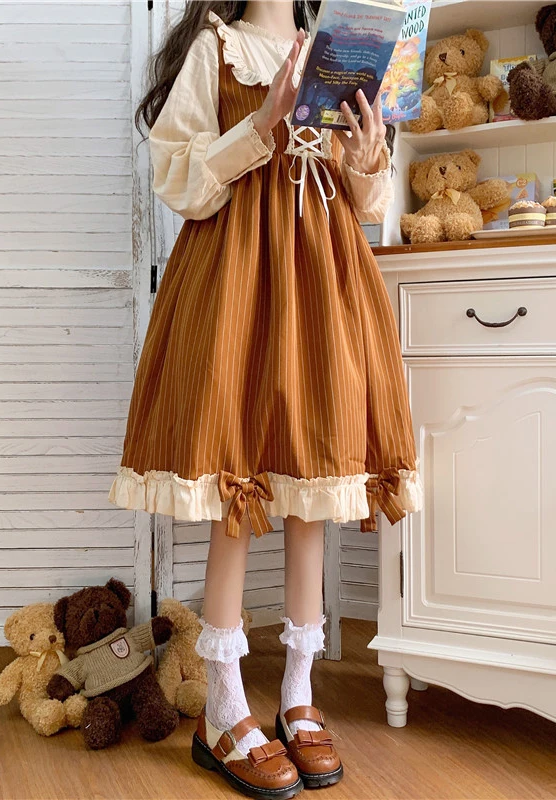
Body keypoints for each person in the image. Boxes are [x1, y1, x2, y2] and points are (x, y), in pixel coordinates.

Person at [112, 2, 422, 797]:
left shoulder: (340, 50)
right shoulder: (216, 49)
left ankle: (297, 696)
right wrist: (263, 123)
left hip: (325, 280)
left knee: (312, 481)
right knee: (238, 483)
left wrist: (368, 157)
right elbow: (177, 177)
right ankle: (223, 709)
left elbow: (368, 204)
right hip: (238, 282)